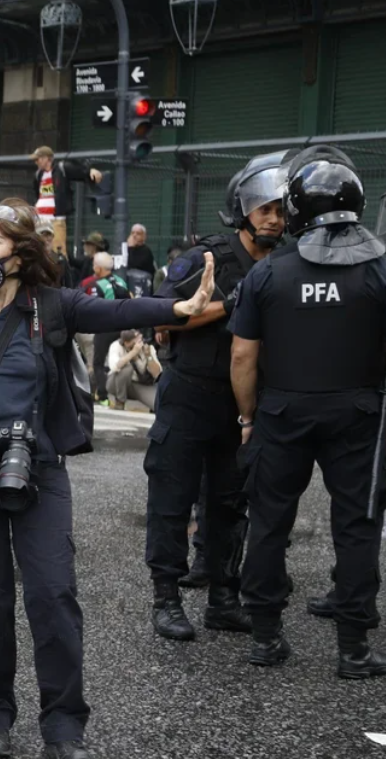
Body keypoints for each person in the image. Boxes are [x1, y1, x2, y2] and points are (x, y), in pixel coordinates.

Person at [0, 200, 215, 759]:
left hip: (39, 471)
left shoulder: (54, 307)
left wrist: (180, 308)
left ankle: (64, 726)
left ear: (20, 251)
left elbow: (119, 310)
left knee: (53, 597)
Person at [229, 146, 386, 678]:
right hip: (360, 413)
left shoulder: (268, 274)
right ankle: (353, 648)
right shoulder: (380, 268)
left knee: (270, 522)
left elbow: (243, 355)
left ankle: (267, 638)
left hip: (282, 411)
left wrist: (248, 418)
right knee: (358, 525)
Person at [144, 150, 292, 642]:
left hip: (243, 405)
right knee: (171, 497)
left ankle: (223, 599)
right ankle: (166, 598)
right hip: (189, 394)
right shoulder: (209, 256)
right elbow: (162, 317)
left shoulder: (289, 265)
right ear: (244, 210)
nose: (274, 218)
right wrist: (231, 304)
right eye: (265, 208)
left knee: (231, 504)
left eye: (281, 209)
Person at [31, 146, 103, 256]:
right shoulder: (38, 175)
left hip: (55, 219)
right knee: (39, 249)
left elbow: (79, 171)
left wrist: (90, 171)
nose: (36, 162)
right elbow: (38, 193)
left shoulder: (61, 168)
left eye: (38, 159)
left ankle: (60, 271)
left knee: (57, 249)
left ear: (47, 158)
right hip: (40, 219)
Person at [81, 252, 131, 402]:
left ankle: (102, 394)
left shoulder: (97, 285)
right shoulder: (121, 281)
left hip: (105, 328)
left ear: (98, 268)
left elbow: (94, 308)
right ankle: (116, 392)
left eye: (94, 265)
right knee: (116, 360)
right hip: (122, 327)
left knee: (98, 362)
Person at [106, 330, 160, 411]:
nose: (137, 344)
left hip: (138, 385)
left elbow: (157, 373)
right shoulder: (116, 346)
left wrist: (149, 356)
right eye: (134, 342)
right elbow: (114, 367)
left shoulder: (147, 347)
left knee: (158, 404)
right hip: (115, 383)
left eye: (139, 340)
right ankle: (120, 401)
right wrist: (133, 353)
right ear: (125, 343)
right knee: (127, 368)